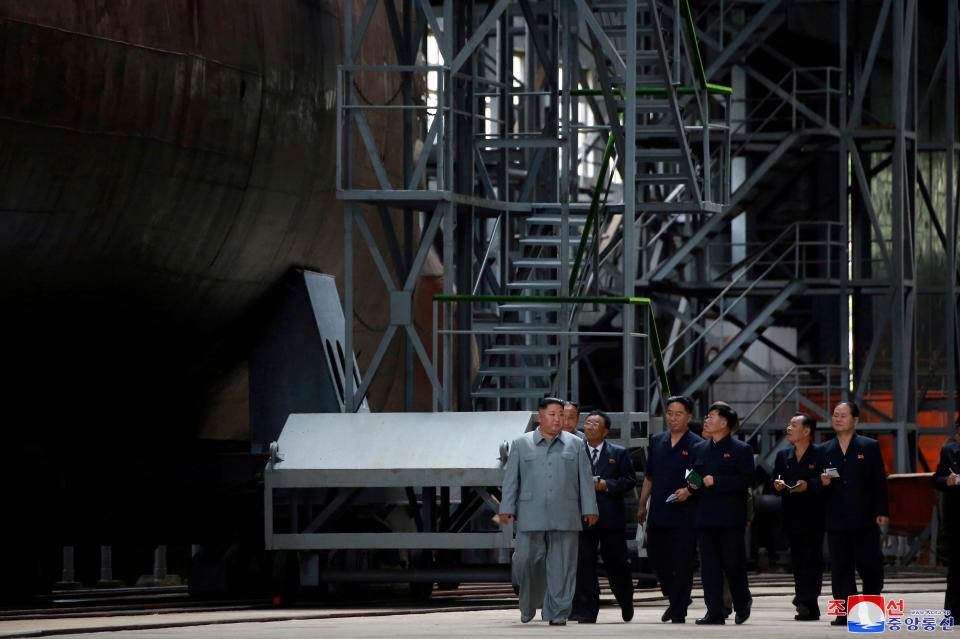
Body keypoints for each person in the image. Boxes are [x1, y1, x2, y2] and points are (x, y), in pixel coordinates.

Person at [499, 397, 599, 625]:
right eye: (553, 414)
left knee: (563, 567)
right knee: (525, 560)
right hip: (530, 513)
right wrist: (507, 507)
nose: (558, 419)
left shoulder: (575, 443)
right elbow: (511, 479)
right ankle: (528, 602)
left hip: (566, 513)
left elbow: (585, 478)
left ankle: (558, 613)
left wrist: (590, 508)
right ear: (540, 417)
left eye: (561, 415)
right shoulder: (521, 444)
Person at [819, 400, 889, 626]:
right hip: (836, 517)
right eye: (835, 415)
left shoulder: (869, 446)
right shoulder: (824, 449)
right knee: (840, 568)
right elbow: (816, 484)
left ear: (855, 420)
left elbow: (880, 481)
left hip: (865, 517)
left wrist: (882, 510)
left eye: (843, 415)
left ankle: (871, 611)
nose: (837, 419)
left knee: (869, 566)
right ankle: (844, 612)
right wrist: (823, 483)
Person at [637, 395, 702, 623]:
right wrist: (642, 504)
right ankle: (676, 598)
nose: (672, 418)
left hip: (685, 513)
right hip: (659, 512)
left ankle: (678, 608)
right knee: (656, 555)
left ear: (689, 417)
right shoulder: (657, 441)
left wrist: (689, 490)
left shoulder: (696, 444)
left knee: (682, 562)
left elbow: (699, 476)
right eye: (670, 413)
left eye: (678, 414)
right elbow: (650, 476)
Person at [688, 402, 754, 625]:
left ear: (724, 423)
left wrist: (718, 481)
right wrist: (692, 485)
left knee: (732, 563)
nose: (706, 419)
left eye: (711, 416)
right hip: (705, 516)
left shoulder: (740, 450)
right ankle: (714, 611)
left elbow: (746, 480)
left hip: (729, 517)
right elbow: (693, 474)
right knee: (709, 567)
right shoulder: (700, 448)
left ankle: (742, 601)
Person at [570, 410, 636, 623]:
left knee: (617, 564)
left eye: (595, 424)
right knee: (584, 565)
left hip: (610, 518)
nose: (589, 427)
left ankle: (626, 600)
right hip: (583, 519)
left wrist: (607, 484)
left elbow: (629, 480)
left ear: (606, 431)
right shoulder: (575, 451)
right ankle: (588, 611)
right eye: (587, 423)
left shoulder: (618, 453)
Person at [772, 413, 824, 621]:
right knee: (798, 560)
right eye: (789, 424)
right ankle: (805, 601)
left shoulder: (820, 454)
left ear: (807, 431)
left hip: (814, 516)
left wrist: (809, 485)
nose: (789, 428)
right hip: (792, 515)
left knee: (813, 560)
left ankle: (807, 601)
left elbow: (828, 481)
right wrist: (777, 486)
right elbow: (775, 479)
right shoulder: (783, 456)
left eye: (794, 425)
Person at [935, 421, 960, 622]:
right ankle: (953, 613)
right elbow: (937, 478)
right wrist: (947, 481)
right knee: (955, 568)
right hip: (956, 518)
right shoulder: (948, 451)